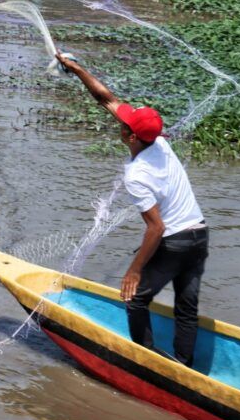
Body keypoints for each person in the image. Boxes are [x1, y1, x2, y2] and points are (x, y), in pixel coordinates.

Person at [55, 52, 208, 367]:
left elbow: (156, 228)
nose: (120, 120)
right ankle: (183, 364)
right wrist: (77, 69)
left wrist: (134, 270)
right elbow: (106, 98)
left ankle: (144, 364)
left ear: (130, 136)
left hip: (176, 241)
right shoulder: (159, 143)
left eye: (125, 124)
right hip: (200, 234)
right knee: (186, 308)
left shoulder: (137, 175)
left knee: (135, 298)